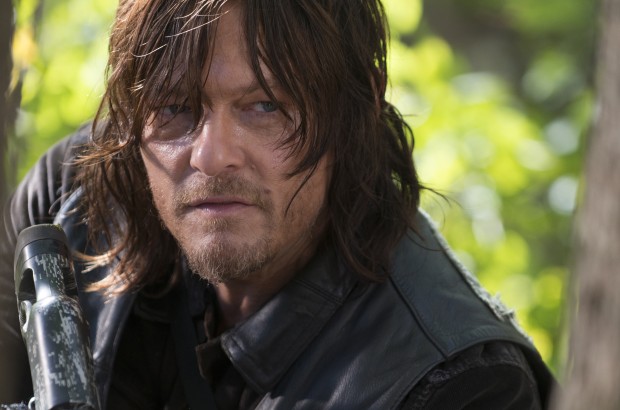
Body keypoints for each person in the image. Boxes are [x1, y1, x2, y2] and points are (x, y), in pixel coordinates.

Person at [1, 0, 554, 408]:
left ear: (355, 105)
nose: (212, 156)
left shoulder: (458, 388)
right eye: (174, 106)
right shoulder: (72, 201)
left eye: (264, 105)